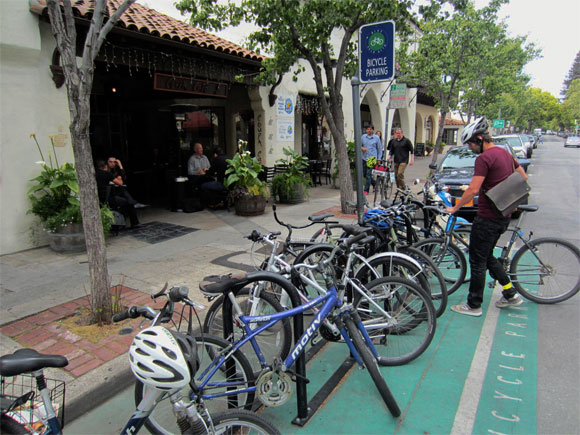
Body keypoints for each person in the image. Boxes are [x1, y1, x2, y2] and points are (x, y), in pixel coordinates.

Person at [445, 117, 528, 317]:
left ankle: (473, 304)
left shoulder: (484, 158)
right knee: (487, 255)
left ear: (481, 139)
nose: (470, 147)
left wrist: (455, 207)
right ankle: (510, 293)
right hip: (503, 215)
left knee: (477, 260)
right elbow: (522, 176)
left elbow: (473, 189)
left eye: (471, 143)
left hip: (487, 217)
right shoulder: (505, 154)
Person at [95, 159, 140, 228]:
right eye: (110, 162)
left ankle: (122, 222)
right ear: (105, 166)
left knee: (124, 196)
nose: (112, 163)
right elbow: (120, 183)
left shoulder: (95, 174)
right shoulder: (107, 173)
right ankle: (134, 223)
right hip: (109, 198)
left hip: (101, 198)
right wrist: (119, 178)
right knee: (128, 202)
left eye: (114, 162)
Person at [361, 125, 382, 195]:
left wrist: (379, 158)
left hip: (372, 158)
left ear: (373, 130)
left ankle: (366, 190)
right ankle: (374, 183)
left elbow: (379, 149)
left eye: (370, 129)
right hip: (364, 158)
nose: (369, 130)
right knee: (364, 174)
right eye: (368, 129)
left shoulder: (376, 138)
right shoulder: (363, 137)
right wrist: (362, 148)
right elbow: (359, 145)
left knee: (368, 174)